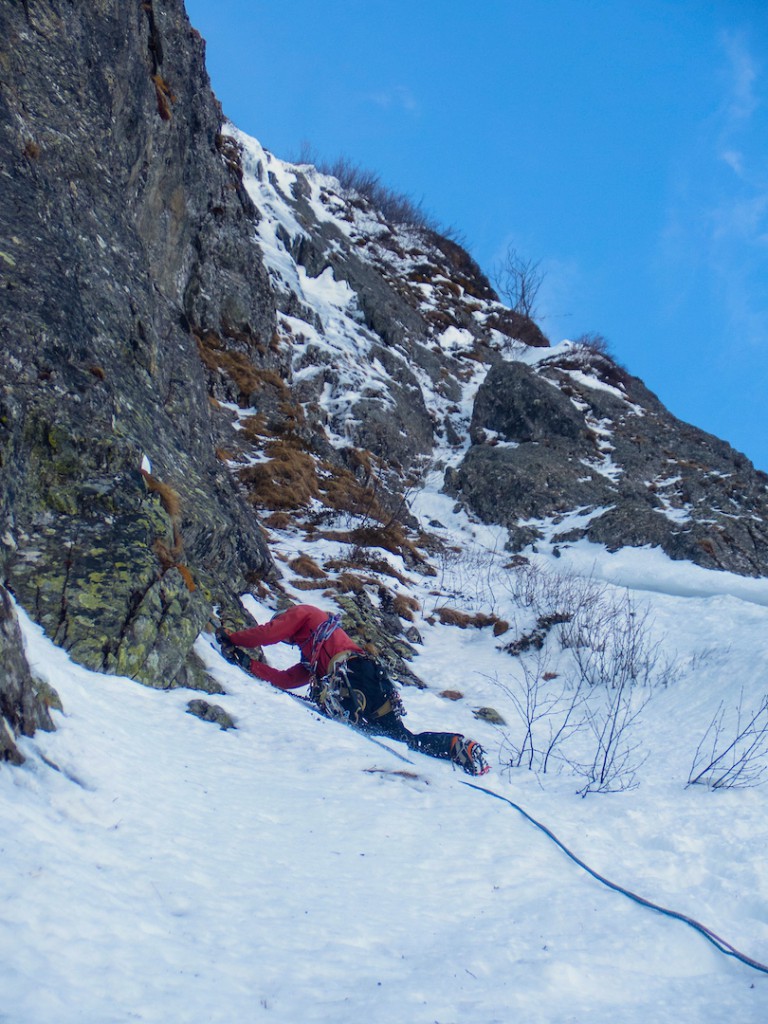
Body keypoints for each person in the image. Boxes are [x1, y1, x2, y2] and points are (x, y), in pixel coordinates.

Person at [217, 603, 489, 776]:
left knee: (394, 737)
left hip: (358, 676)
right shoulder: (314, 655)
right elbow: (286, 680)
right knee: (399, 738)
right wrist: (249, 664)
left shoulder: (306, 614)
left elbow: (268, 634)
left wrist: (233, 639)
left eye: (287, 634)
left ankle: (455, 746)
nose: (288, 639)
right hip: (366, 679)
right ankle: (454, 745)